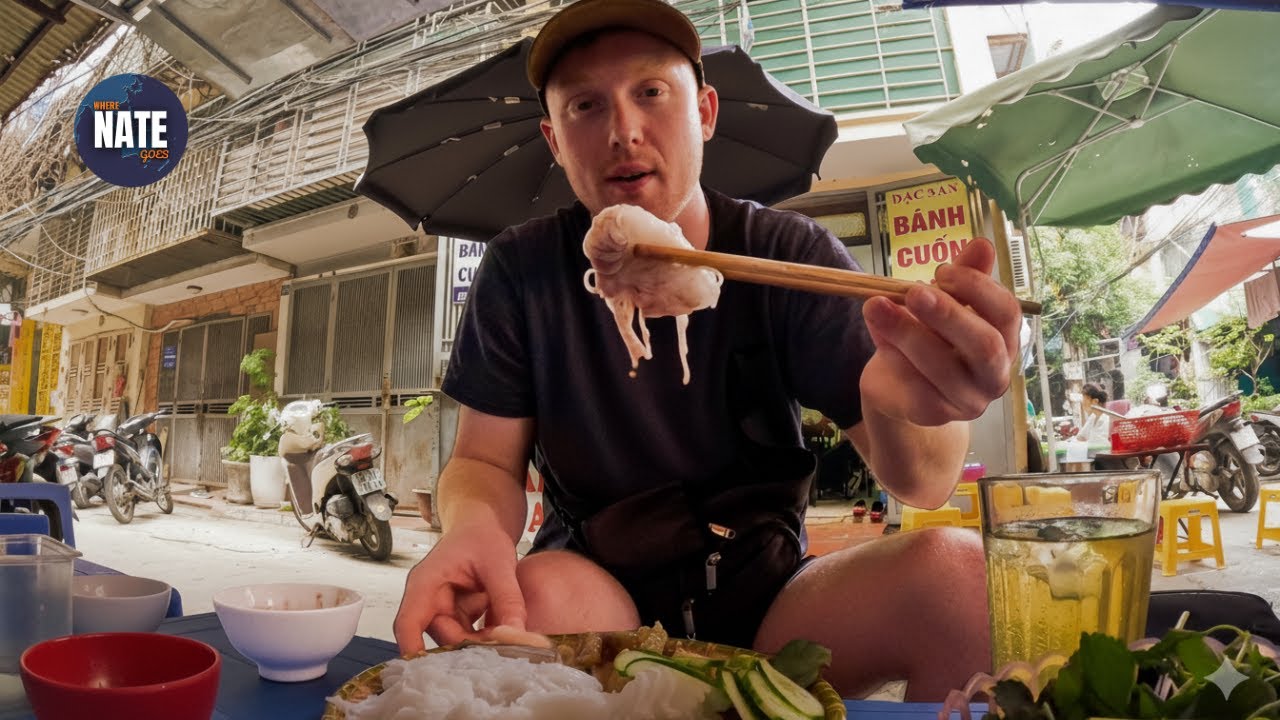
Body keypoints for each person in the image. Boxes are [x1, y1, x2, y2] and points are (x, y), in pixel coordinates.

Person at [393, 0, 1023, 701]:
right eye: (585, 106)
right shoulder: (524, 269)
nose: (623, 130)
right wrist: (473, 529)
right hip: (595, 586)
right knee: (536, 597)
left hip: (772, 600)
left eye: (651, 93)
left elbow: (925, 482)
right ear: (554, 138)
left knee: (960, 577)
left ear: (706, 112)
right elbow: (482, 460)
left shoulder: (785, 253)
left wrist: (911, 401)